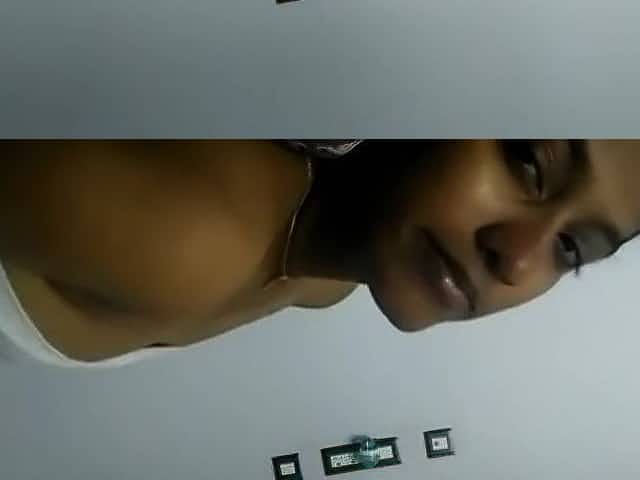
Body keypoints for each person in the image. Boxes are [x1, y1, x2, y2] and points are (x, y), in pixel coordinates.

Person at [0, 139, 638, 368]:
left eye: (570, 247)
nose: (518, 259)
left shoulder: (327, 283)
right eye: (529, 160)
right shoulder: (190, 235)